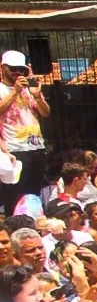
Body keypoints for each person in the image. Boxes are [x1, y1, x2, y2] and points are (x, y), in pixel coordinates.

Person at [0, 50, 50, 214]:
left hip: (36, 148)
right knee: (14, 196)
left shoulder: (28, 89)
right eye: (13, 69)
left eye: (21, 70)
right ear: (3, 68)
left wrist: (37, 97)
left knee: (33, 196)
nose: (18, 73)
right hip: (15, 149)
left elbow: (45, 112)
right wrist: (14, 91)